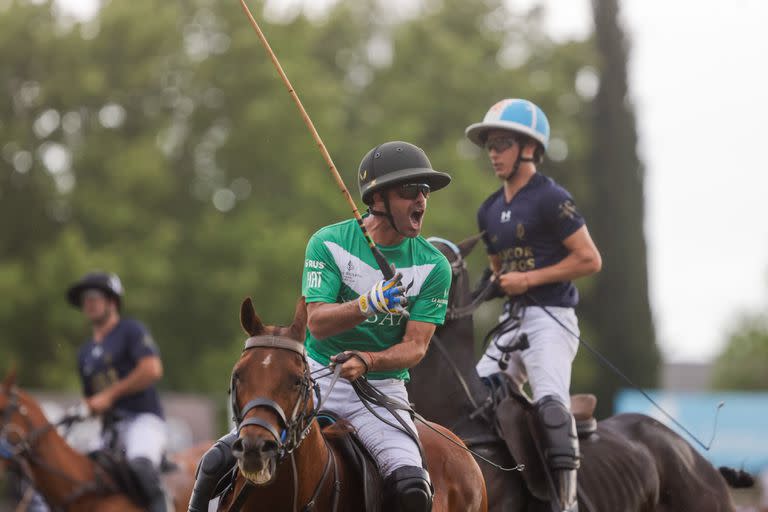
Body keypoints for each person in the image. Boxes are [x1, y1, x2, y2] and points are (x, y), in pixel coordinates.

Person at [187, 141, 452, 512]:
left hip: (381, 388)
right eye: (410, 190)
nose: (422, 199)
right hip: (312, 379)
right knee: (215, 463)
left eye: (425, 190)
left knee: (411, 488)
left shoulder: (434, 266)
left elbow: (416, 346)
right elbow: (318, 322)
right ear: (377, 198)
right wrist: (368, 304)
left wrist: (369, 360)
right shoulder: (328, 243)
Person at [466, 99, 602, 512]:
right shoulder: (488, 210)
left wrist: (528, 279)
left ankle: (567, 502)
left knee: (550, 406)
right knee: (473, 398)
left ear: (529, 148)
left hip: (552, 319)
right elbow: (496, 271)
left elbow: (589, 259)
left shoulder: (551, 198)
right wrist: (487, 288)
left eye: (502, 143)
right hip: (511, 322)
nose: (493, 152)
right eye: (490, 144)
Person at [66, 271, 168, 512]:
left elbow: (152, 369)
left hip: (142, 419)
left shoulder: (131, 330)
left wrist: (109, 396)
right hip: (109, 430)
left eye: (94, 297)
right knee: (77, 473)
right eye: (84, 299)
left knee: (141, 467)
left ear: (112, 302)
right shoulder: (85, 352)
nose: (88, 303)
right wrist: (84, 408)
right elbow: (92, 399)